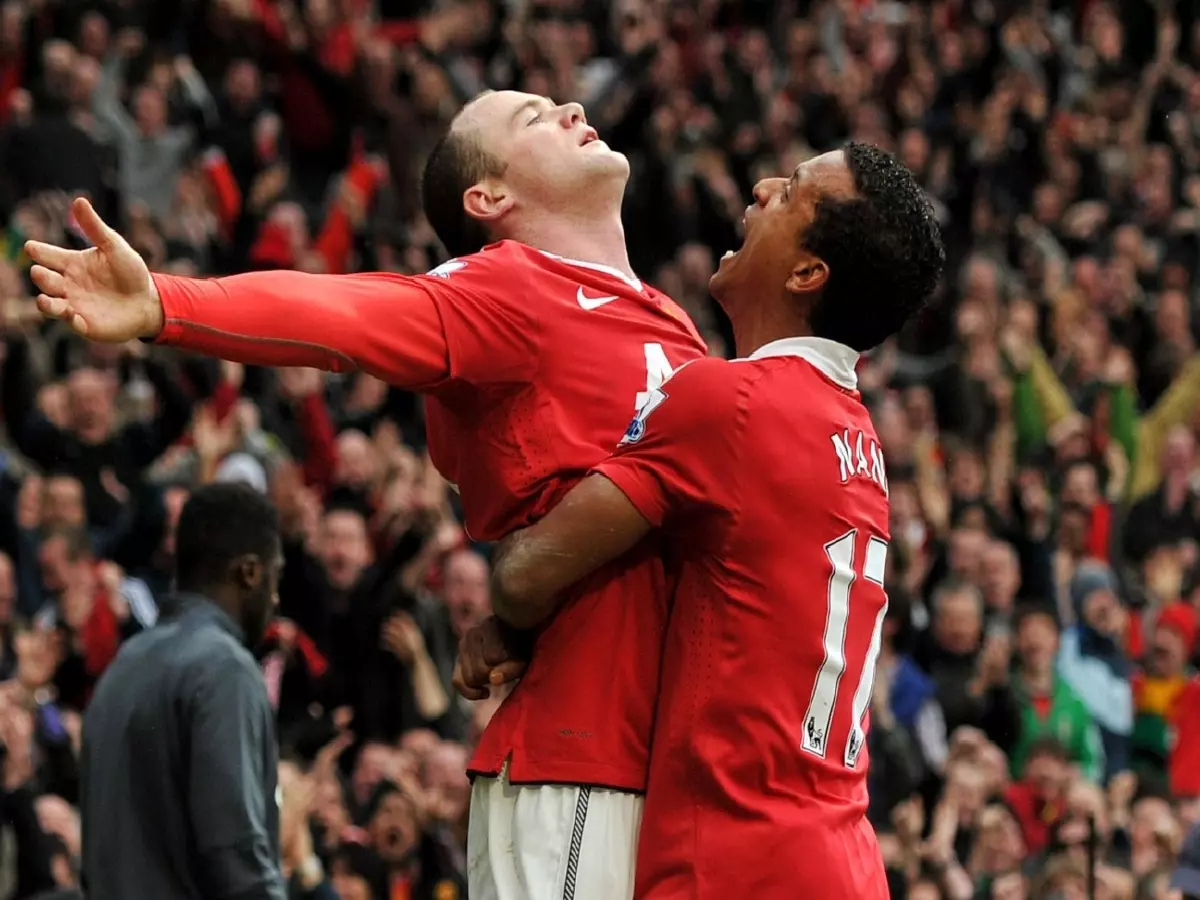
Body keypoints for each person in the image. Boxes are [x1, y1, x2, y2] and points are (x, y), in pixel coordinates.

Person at [26, 91, 708, 900]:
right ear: (489, 199)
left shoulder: (674, 324)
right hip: (582, 758)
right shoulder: (507, 287)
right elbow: (342, 313)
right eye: (531, 119)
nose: (568, 105)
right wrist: (169, 306)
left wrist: (517, 614)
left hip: (676, 767)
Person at [479, 144, 946, 897]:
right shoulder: (858, 439)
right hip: (844, 859)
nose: (762, 186)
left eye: (791, 191)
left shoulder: (728, 402)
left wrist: (503, 606)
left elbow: (527, 576)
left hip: (733, 861)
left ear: (806, 274)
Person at [79, 482, 289, 900]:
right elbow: (234, 853)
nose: (276, 596)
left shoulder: (124, 664)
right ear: (249, 572)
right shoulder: (225, 668)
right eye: (275, 576)